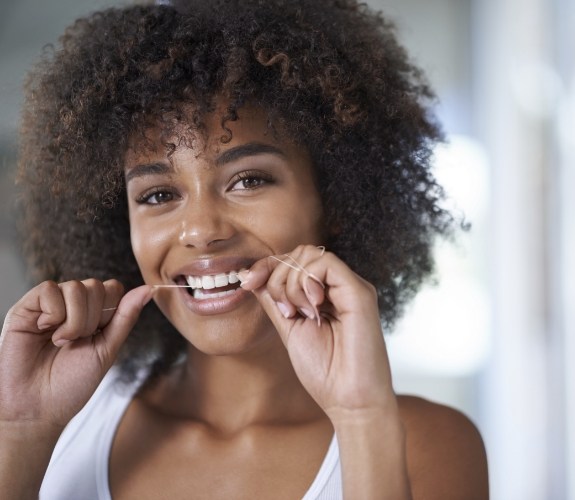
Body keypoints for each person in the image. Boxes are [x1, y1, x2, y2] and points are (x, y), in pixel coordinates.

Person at [0, 0, 488, 498]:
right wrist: (21, 431)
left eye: (248, 180)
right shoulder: (60, 424)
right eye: (158, 195)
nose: (200, 230)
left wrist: (361, 416)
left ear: (336, 198)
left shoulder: (425, 444)